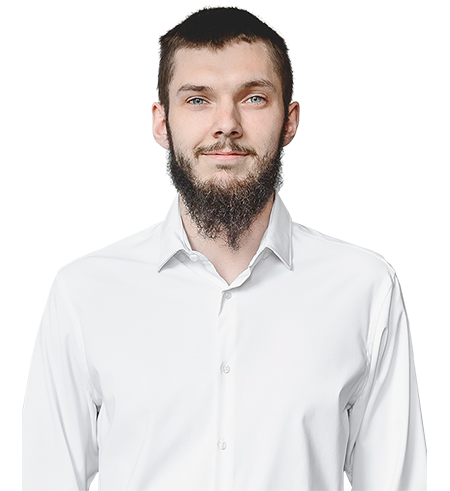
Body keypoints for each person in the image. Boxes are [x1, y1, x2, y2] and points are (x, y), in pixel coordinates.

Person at [22, 7, 426, 491]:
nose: (226, 124)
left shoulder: (364, 289)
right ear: (161, 122)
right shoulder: (84, 293)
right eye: (198, 99)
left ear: (290, 122)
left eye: (253, 98)